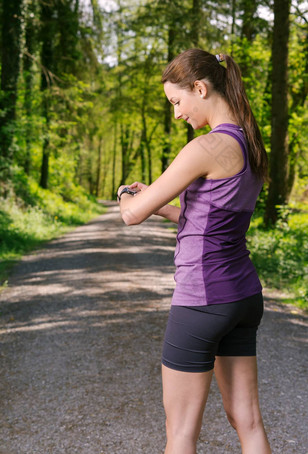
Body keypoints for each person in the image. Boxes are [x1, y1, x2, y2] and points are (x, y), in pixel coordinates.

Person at [116, 48, 271, 454]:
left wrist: (125, 196)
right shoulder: (250, 145)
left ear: (199, 88)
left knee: (181, 432)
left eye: (176, 101)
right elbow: (205, 218)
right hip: (242, 296)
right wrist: (159, 201)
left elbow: (131, 216)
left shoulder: (204, 148)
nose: (176, 113)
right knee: (248, 420)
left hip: (201, 300)